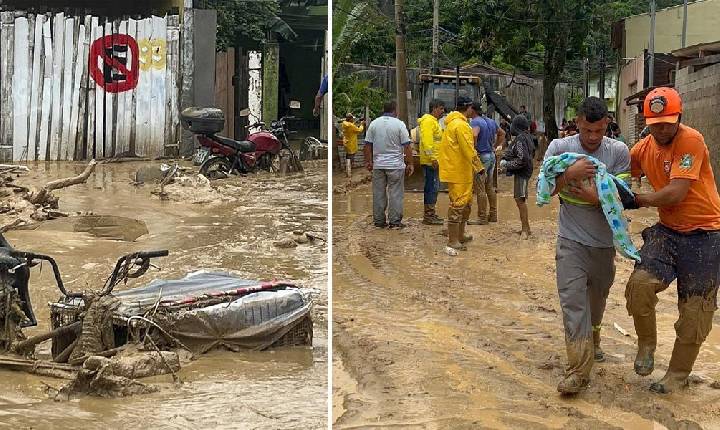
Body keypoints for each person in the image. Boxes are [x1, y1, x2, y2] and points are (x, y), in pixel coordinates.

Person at [624, 87, 720, 394]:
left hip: (705, 234)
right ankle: (646, 344)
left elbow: (676, 193)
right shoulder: (641, 149)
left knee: (695, 311)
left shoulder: (691, 140)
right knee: (639, 286)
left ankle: (677, 375)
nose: (663, 128)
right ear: (647, 122)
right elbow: (622, 174)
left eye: (668, 121)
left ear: (679, 117)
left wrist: (637, 200)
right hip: (668, 230)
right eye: (656, 123)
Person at [542, 96, 631, 394]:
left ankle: (594, 340)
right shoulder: (559, 149)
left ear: (607, 124)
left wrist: (597, 199)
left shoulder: (618, 152)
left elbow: (623, 200)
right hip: (570, 241)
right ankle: (578, 371)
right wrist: (570, 174)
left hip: (604, 245)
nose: (592, 138)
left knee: (597, 300)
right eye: (587, 131)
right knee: (573, 303)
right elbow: (544, 189)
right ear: (577, 122)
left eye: (598, 131)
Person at [438, 96, 484, 251]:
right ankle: (453, 240)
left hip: (458, 170)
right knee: (458, 204)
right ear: (468, 108)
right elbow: (468, 149)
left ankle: (460, 234)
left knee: (466, 204)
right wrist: (479, 166)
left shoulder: (453, 123)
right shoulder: (461, 125)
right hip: (459, 172)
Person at [364, 101, 413, 229]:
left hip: (378, 165)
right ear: (395, 110)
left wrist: (368, 161)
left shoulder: (374, 124)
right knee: (395, 193)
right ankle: (395, 222)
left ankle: (379, 221)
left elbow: (367, 145)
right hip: (395, 165)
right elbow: (407, 146)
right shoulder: (399, 124)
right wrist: (410, 163)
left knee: (378, 193)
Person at [499, 115, 534, 239]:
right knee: (520, 199)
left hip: (522, 172)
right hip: (525, 171)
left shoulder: (520, 139)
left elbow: (521, 159)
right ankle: (526, 228)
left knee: (520, 199)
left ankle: (525, 229)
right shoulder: (526, 137)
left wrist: (506, 165)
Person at [468, 102, 502, 225]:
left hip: (482, 157)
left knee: (480, 187)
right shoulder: (490, 121)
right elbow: (502, 133)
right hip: (491, 156)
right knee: (489, 186)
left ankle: (482, 217)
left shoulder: (475, 122)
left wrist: (474, 149)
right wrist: (496, 145)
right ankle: (493, 215)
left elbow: (474, 135)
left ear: (473, 110)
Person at [418, 99, 446, 225]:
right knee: (431, 188)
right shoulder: (428, 121)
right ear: (434, 108)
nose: (442, 111)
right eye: (441, 108)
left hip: (434, 160)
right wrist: (433, 158)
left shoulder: (434, 122)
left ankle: (431, 213)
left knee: (434, 187)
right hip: (431, 162)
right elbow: (427, 141)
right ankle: (429, 216)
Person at [341, 114, 365, 178]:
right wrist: (362, 124)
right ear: (350, 119)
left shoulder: (344, 124)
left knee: (348, 156)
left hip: (346, 142)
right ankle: (349, 171)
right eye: (352, 119)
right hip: (351, 143)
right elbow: (359, 130)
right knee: (351, 157)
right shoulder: (351, 126)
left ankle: (347, 169)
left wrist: (355, 123)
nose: (353, 120)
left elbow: (351, 126)